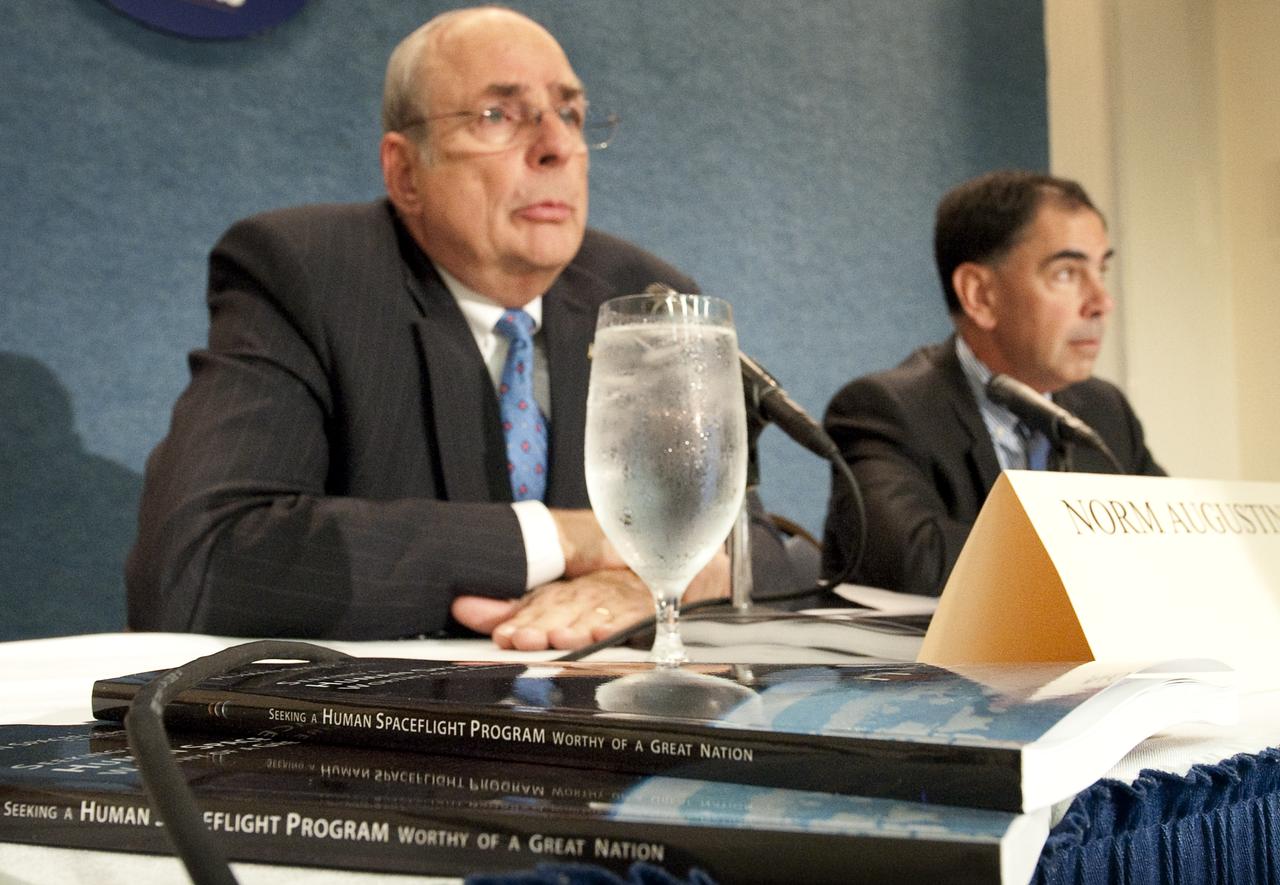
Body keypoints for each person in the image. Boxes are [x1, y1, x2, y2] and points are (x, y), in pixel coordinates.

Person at [126, 6, 797, 648]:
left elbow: (756, 550)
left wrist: (654, 586)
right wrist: (566, 540)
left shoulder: (642, 297)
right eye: (498, 115)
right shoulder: (304, 272)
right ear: (405, 171)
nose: (557, 145)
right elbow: (197, 561)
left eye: (570, 112)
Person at [821, 170, 1164, 597]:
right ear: (980, 295)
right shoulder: (885, 410)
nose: (1101, 302)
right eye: (1067, 273)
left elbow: (1173, 549)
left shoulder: (1104, 410)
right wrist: (1101, 559)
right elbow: (915, 566)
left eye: (1101, 270)